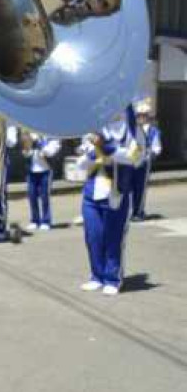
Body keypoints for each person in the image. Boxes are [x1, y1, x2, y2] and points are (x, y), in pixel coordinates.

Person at [77, 105, 143, 296]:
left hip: (116, 192)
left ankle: (112, 278)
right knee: (93, 236)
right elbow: (81, 163)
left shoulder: (132, 130)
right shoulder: (93, 130)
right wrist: (94, 153)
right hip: (92, 192)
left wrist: (107, 148)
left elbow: (136, 158)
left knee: (113, 238)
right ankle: (96, 276)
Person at [21, 131, 61, 231]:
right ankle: (35, 220)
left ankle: (46, 221)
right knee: (32, 196)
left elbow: (50, 152)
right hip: (32, 170)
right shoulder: (31, 134)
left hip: (45, 170)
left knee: (45, 197)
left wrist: (38, 142)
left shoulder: (53, 136)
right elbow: (26, 154)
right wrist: (27, 146)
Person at [131, 100, 161, 221]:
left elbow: (156, 148)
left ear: (148, 116)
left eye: (144, 115)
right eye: (139, 115)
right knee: (129, 188)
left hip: (143, 163)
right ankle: (129, 211)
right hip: (130, 162)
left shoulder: (153, 131)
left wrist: (149, 155)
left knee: (140, 188)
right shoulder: (132, 129)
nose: (141, 117)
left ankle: (138, 212)